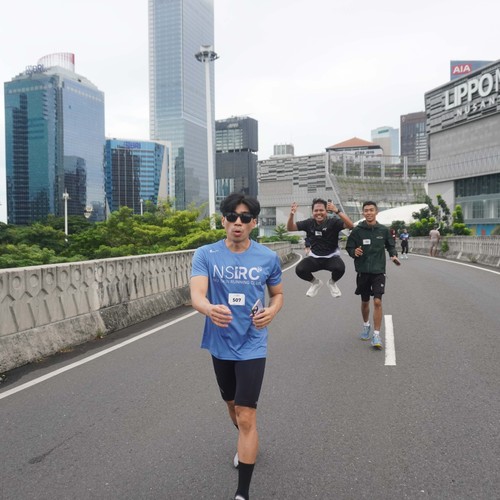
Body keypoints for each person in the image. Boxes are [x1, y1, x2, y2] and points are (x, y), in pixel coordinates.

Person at [190, 193, 284, 500]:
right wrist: (209, 309)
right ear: (223, 220)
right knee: (232, 405)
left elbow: (278, 294)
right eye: (232, 216)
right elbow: (197, 294)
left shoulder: (267, 257)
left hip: (252, 343)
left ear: (254, 222)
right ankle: (247, 439)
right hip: (219, 343)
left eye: (245, 218)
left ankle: (242, 492)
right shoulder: (206, 254)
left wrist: (273, 310)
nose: (238, 223)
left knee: (246, 414)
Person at [346, 201, 400, 349]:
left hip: (378, 271)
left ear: (376, 212)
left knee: (377, 302)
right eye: (366, 210)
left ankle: (376, 335)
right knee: (365, 302)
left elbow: (390, 245)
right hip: (363, 271)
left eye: (371, 210)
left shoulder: (383, 230)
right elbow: (349, 247)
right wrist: (354, 252)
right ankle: (366, 325)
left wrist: (393, 255)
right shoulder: (357, 231)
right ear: (363, 213)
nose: (369, 212)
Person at [287, 198, 354, 298]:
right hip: (315, 258)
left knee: (340, 268)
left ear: (326, 211)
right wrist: (292, 214)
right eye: (316, 210)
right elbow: (290, 228)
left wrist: (337, 211)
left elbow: (350, 225)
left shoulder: (333, 222)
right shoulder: (309, 223)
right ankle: (315, 283)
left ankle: (332, 283)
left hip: (331, 257)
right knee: (300, 269)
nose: (319, 213)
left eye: (321, 210)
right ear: (312, 212)